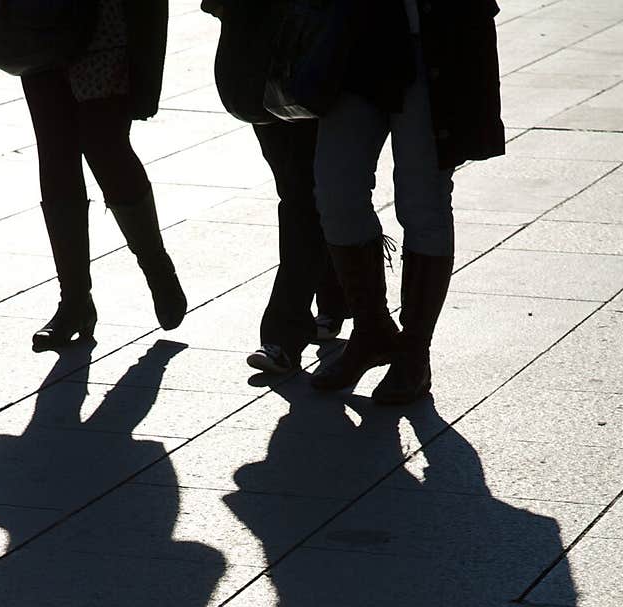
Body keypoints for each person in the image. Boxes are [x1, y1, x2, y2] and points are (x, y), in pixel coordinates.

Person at [311, 0, 505, 404]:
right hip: (356, 40)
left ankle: (414, 351)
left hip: (437, 38)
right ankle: (372, 330)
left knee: (422, 199)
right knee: (335, 191)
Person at [22, 0, 186, 350]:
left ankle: (156, 265)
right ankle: (74, 302)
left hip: (102, 23)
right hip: (39, 25)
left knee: (105, 148)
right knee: (55, 153)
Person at [202, 0, 348, 374]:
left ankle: (285, 332)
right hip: (261, 55)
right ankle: (335, 295)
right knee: (302, 190)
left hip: (319, 48)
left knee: (304, 194)